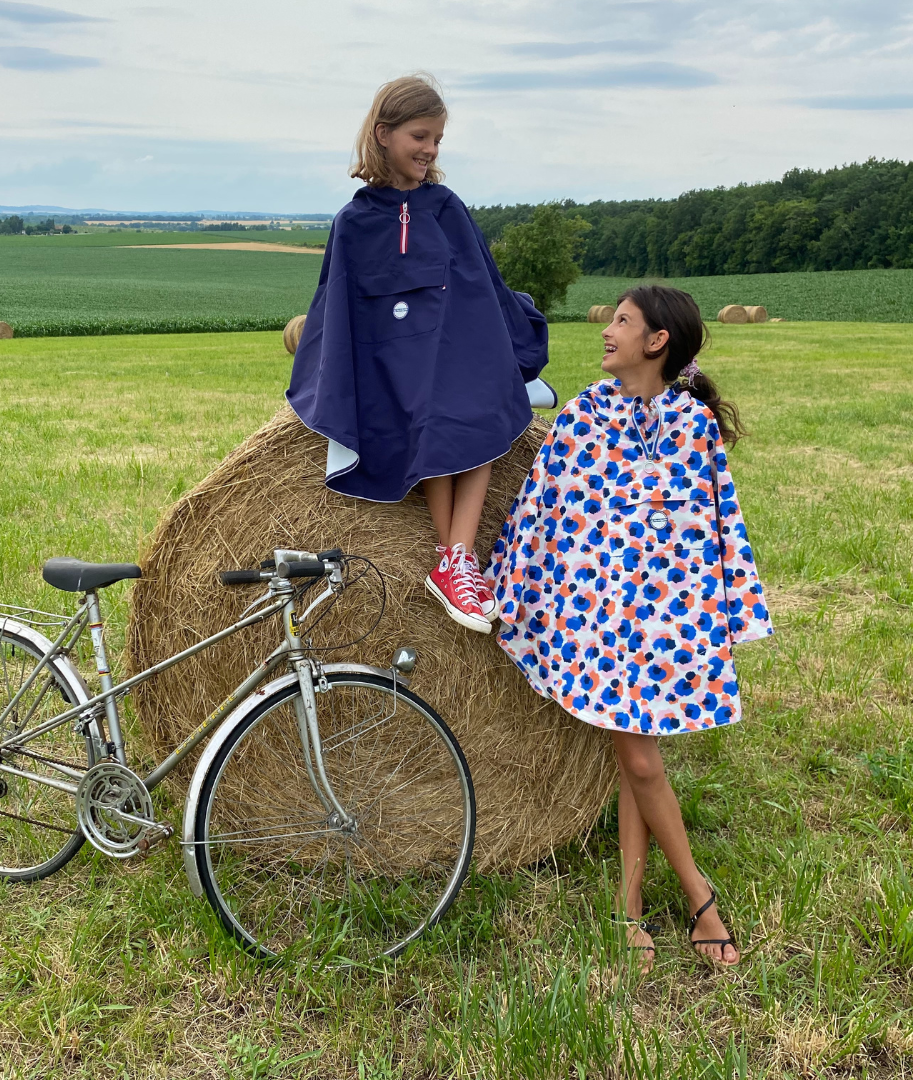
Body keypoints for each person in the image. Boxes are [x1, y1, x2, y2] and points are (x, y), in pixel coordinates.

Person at [487, 285, 773, 970]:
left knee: (633, 759)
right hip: (597, 623)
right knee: (641, 758)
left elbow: (718, 524)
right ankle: (700, 901)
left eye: (621, 321)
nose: (606, 330)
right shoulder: (583, 415)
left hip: (664, 620)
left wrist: (730, 608)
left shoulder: (694, 428)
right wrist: (512, 588)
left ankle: (630, 903)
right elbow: (541, 507)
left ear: (657, 342)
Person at [287, 74, 556, 635]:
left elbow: (479, 286)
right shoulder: (354, 222)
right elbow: (339, 308)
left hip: (455, 356)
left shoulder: (444, 208)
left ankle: (456, 557)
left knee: (483, 400)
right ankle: (453, 559)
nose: (430, 149)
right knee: (424, 411)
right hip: (392, 367)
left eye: (437, 140)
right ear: (383, 134)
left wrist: (510, 325)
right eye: (421, 135)